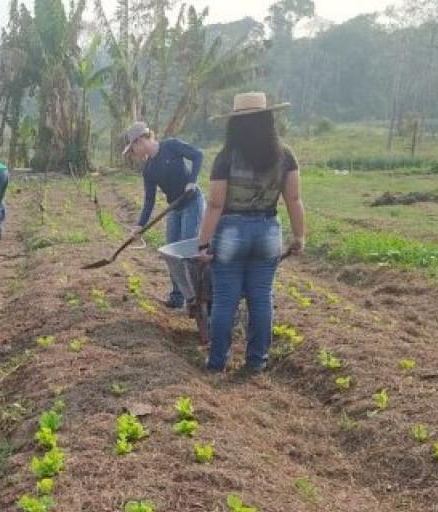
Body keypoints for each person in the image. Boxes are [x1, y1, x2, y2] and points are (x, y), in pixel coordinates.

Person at [196, 92, 306, 374]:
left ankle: (217, 362)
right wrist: (299, 236)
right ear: (269, 119)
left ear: (235, 124)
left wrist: (203, 244)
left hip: (232, 231)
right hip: (268, 230)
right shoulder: (285, 156)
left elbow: (216, 204)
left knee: (225, 301)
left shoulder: (226, 157)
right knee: (261, 297)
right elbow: (293, 200)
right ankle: (256, 362)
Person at [123, 121, 206, 310]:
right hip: (174, 208)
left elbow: (198, 155)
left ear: (140, 141)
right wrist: (139, 226)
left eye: (132, 149)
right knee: (171, 253)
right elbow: (149, 201)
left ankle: (197, 298)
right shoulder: (149, 169)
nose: (133, 154)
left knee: (188, 250)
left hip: (192, 203)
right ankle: (178, 296)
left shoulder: (171, 146)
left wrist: (192, 181)